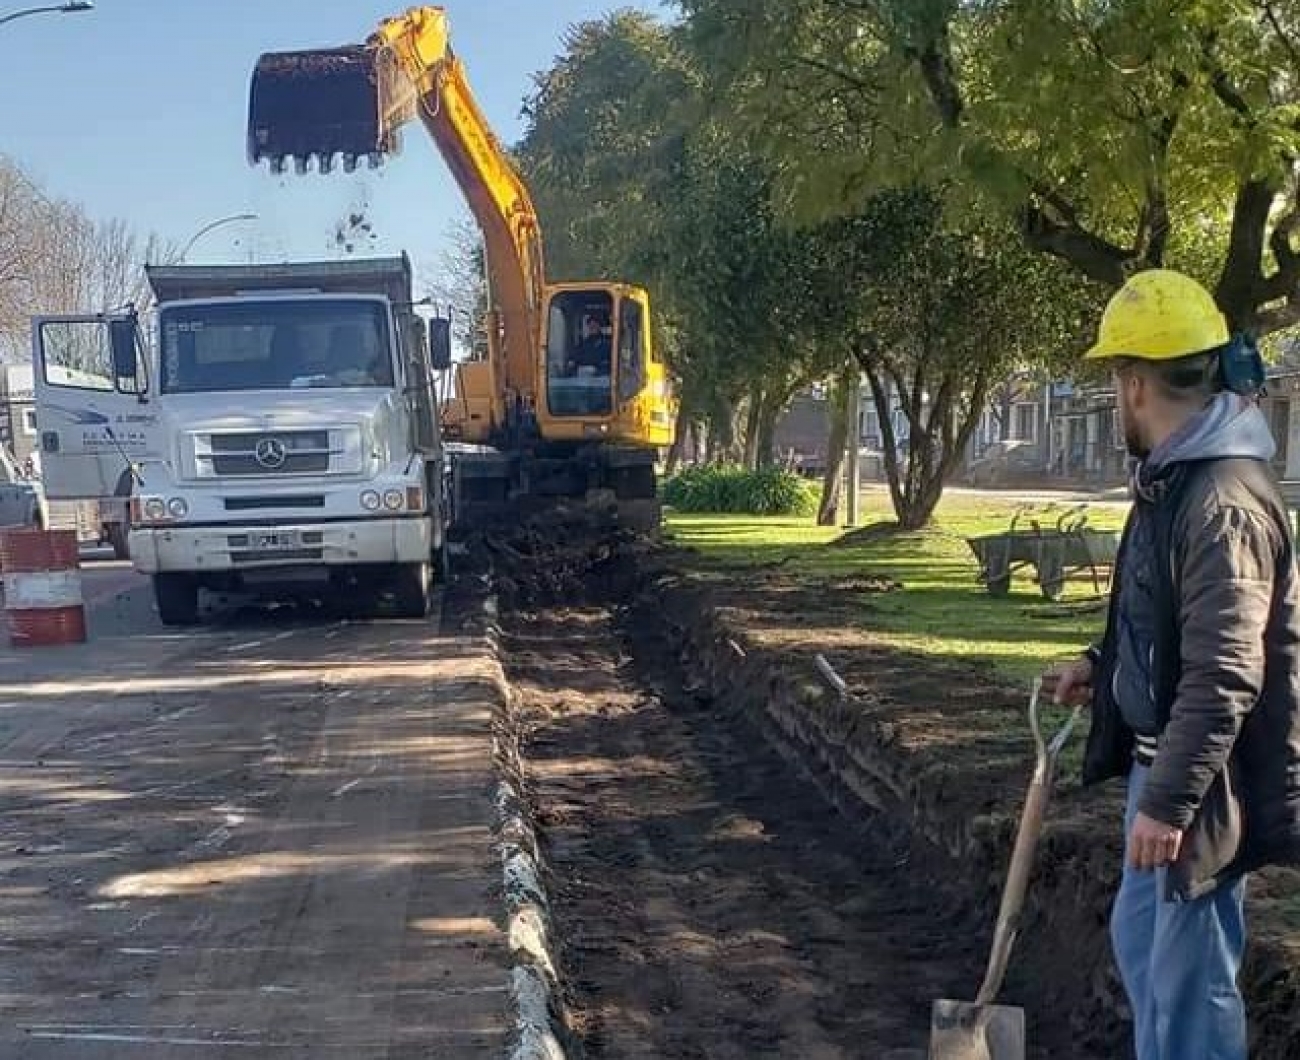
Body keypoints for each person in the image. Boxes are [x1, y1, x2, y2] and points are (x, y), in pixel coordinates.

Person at [1044, 269, 1300, 1060]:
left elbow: (1225, 671)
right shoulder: (1178, 480)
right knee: (1145, 943)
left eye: (1115, 378)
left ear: (1133, 383)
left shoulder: (1220, 500)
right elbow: (1162, 617)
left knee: (1191, 982)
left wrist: (1169, 801)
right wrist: (1103, 662)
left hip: (1206, 782)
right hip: (1169, 772)